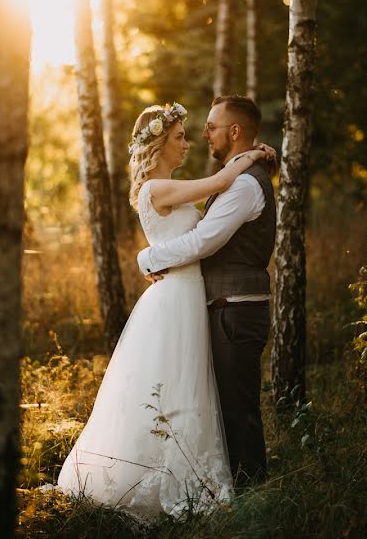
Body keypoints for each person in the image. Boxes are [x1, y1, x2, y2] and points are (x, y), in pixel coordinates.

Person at [56, 102, 274, 519]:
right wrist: (254, 153)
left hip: (192, 296)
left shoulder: (170, 187)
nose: (189, 143)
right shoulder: (156, 190)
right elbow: (221, 181)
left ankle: (195, 471)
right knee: (174, 383)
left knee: (190, 386)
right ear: (158, 144)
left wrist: (253, 153)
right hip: (177, 296)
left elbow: (217, 202)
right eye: (179, 137)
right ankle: (165, 477)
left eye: (194, 134)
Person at [137, 95, 276, 488]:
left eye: (211, 127)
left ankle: (251, 491)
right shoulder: (234, 178)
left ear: (234, 132)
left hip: (233, 307)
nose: (201, 136)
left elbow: (202, 241)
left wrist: (147, 258)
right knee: (209, 400)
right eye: (183, 135)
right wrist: (253, 156)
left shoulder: (244, 185)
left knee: (236, 406)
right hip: (203, 302)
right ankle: (223, 481)